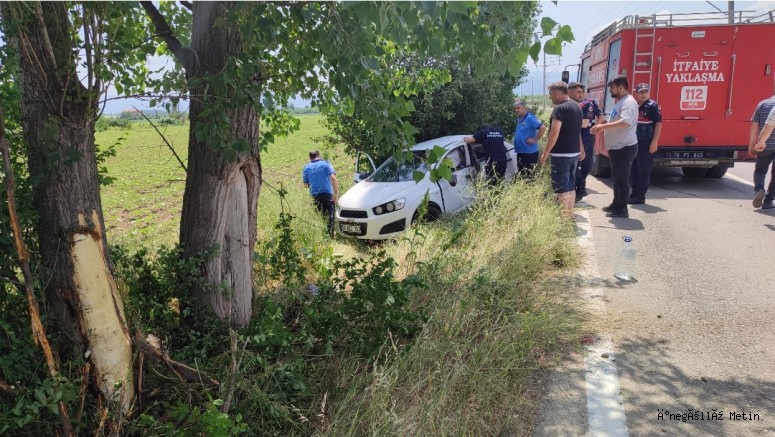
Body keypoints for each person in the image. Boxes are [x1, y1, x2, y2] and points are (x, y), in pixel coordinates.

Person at [590, 76, 638, 219]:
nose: (610, 91)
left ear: (621, 87)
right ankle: (616, 205)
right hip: (617, 147)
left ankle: (622, 209)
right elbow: (618, 120)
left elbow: (625, 122)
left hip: (624, 147)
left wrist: (602, 127)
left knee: (622, 179)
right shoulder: (621, 101)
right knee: (616, 178)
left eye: (612, 88)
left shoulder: (628, 102)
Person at [539, 82, 584, 219]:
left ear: (557, 93)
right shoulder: (577, 107)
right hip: (574, 153)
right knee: (570, 185)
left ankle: (564, 218)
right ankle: (569, 215)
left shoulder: (559, 109)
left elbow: (554, 133)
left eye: (551, 94)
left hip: (561, 154)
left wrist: (545, 153)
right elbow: (578, 131)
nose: (550, 97)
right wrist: (581, 148)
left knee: (561, 187)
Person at [568, 83, 604, 202]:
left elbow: (600, 117)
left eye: (582, 92)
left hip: (588, 136)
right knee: (575, 164)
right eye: (578, 92)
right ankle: (579, 188)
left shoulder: (590, 103)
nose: (580, 94)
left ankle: (581, 184)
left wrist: (596, 127)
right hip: (575, 137)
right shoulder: (569, 105)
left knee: (587, 163)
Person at [628, 83, 663, 204]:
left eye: (646, 92)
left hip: (646, 143)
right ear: (636, 94)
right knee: (633, 169)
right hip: (634, 142)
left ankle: (640, 196)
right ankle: (634, 193)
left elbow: (658, 124)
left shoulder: (652, 106)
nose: (644, 94)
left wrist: (654, 142)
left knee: (644, 170)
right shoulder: (634, 106)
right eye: (641, 92)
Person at [750, 86, 775, 210]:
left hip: (764, 144)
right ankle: (768, 201)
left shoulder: (763, 105)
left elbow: (754, 126)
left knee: (760, 170)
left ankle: (759, 189)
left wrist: (752, 145)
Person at [512, 100, 546, 179]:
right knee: (522, 175)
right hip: (521, 151)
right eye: (515, 108)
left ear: (525, 108)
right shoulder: (520, 118)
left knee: (529, 175)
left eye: (518, 108)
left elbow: (543, 127)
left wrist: (535, 139)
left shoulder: (530, 118)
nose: (516, 110)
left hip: (529, 153)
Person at [302, 149, 339, 222]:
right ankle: (330, 229)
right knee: (330, 219)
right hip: (327, 195)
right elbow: (333, 178)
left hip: (314, 196)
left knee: (320, 219)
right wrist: (336, 194)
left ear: (310, 158)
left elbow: (306, 185)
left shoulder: (306, 168)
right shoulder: (326, 164)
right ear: (319, 155)